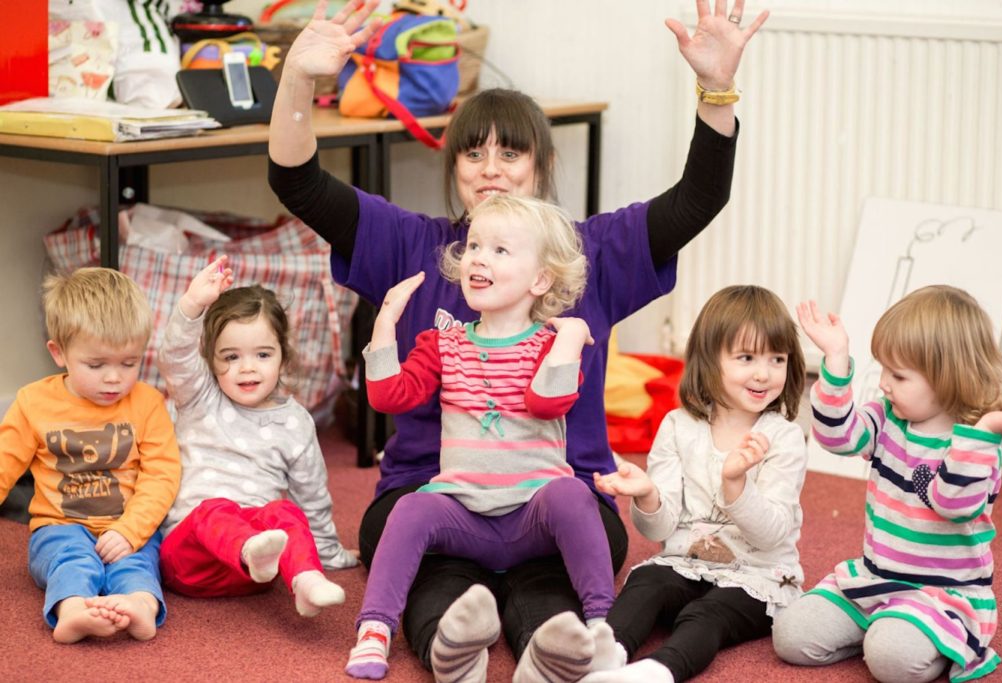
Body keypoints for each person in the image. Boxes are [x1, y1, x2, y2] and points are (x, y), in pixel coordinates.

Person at [268, 0, 768, 676]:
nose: (490, 168)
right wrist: (298, 79)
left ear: (543, 164)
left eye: (510, 152)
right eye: (472, 153)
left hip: (554, 495)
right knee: (416, 555)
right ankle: (451, 646)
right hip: (434, 492)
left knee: (565, 565)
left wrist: (716, 89)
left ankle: (551, 650)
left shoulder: (589, 253)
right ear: (454, 166)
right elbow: (296, 181)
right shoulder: (414, 244)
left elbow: (697, 199)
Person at [345, 195, 614, 680]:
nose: (478, 258)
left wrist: (572, 337)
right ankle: (374, 629)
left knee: (574, 495)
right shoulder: (442, 342)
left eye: (499, 250)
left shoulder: (551, 345)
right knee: (410, 508)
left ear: (540, 280)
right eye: (473, 246)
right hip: (465, 516)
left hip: (532, 518)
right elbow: (388, 396)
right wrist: (384, 325)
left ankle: (601, 626)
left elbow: (547, 402)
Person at [773, 285, 1002, 683]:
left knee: (892, 659)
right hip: (874, 580)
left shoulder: (975, 445)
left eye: (899, 375)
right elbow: (838, 438)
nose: (884, 383)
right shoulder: (887, 415)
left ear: (946, 378)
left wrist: (983, 434)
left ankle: (942, 640)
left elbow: (952, 503)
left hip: (941, 596)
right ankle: (887, 628)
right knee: (791, 635)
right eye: (884, 370)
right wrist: (836, 358)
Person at [578, 285, 807, 683]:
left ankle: (656, 672)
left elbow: (772, 535)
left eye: (777, 359)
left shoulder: (784, 438)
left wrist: (735, 484)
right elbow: (660, 530)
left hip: (758, 576)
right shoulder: (677, 425)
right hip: (684, 562)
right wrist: (648, 494)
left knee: (705, 614)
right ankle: (605, 653)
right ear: (709, 359)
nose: (763, 373)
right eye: (746, 357)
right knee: (647, 583)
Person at [157, 257, 358, 618]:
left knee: (285, 511)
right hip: (190, 561)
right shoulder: (199, 397)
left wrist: (328, 552)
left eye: (263, 354)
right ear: (210, 359)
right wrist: (192, 304)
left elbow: (312, 496)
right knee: (213, 510)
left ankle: (306, 581)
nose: (247, 367)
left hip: (258, 573)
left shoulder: (295, 422)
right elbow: (175, 356)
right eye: (231, 357)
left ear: (283, 356)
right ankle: (249, 547)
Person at [0, 267, 180, 643]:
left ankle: (140, 607)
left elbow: (161, 474)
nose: (114, 378)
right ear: (59, 353)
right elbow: (4, 464)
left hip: (129, 527)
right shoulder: (33, 402)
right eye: (96, 365)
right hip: (59, 527)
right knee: (71, 560)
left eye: (129, 363)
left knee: (138, 565)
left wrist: (130, 530)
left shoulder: (148, 404)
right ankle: (73, 610)